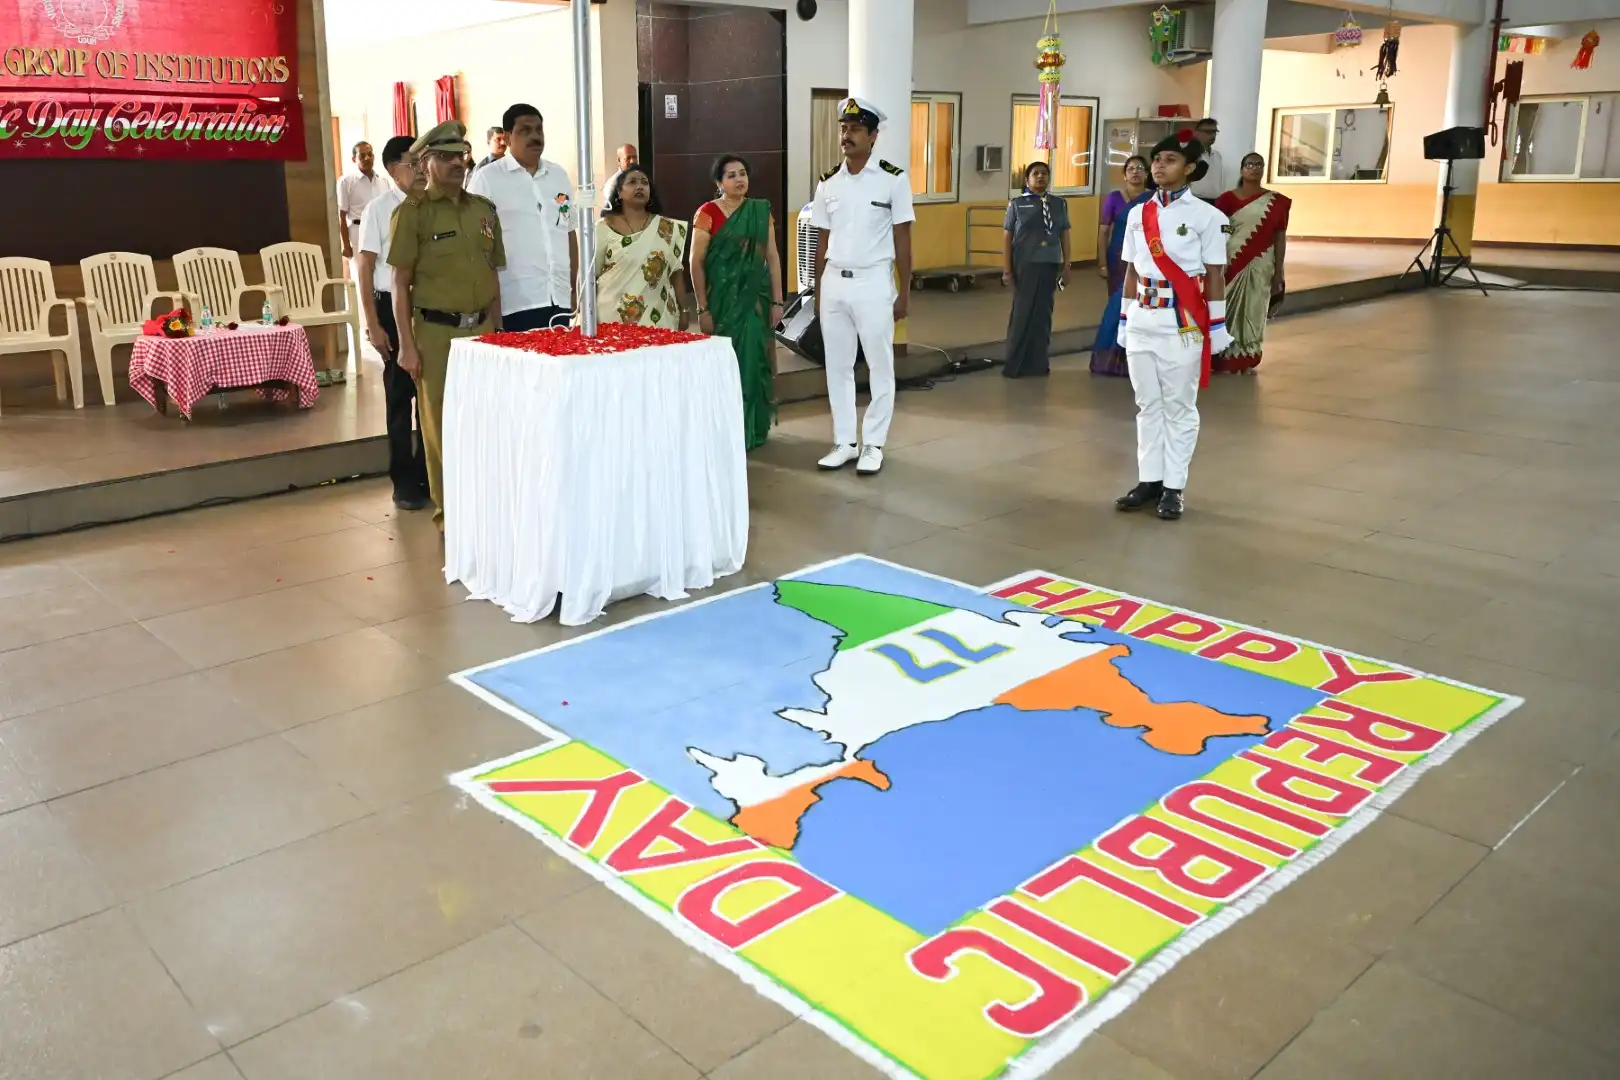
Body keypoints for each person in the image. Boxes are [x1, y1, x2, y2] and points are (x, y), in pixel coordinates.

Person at [388, 120, 505, 530]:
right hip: (437, 334)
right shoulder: (412, 214)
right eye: (446, 156)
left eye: (461, 155)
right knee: (440, 425)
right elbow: (400, 284)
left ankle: (487, 506)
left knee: (486, 419)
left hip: (483, 331)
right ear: (424, 163)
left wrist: (499, 330)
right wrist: (406, 345)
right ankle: (451, 515)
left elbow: (493, 277)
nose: (458, 162)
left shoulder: (484, 211)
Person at [1114, 129, 1231, 522]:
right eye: (1157, 160)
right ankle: (1149, 480)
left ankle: (1174, 487)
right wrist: (1124, 319)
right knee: (1147, 405)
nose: (1159, 167)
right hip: (1143, 318)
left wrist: (1216, 327)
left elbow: (1215, 275)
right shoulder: (1137, 213)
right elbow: (1130, 271)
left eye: (1170, 160)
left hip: (1182, 322)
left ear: (1191, 168)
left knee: (1179, 407)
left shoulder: (1208, 217)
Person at [810, 96, 914, 476]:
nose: (846, 135)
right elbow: (822, 238)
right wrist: (818, 288)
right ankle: (844, 441)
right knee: (836, 366)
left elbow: (903, 239)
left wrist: (905, 291)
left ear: (873, 136)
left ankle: (873, 444)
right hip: (835, 281)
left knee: (879, 365)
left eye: (855, 129)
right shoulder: (828, 183)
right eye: (843, 128)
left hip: (873, 282)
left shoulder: (893, 179)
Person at [355, 135, 430, 511]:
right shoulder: (379, 209)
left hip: (429, 308)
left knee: (430, 400)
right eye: (411, 163)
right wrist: (372, 322)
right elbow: (365, 266)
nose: (419, 170)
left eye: (422, 161)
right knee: (401, 399)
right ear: (391, 169)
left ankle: (429, 475)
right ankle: (404, 482)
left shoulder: (434, 204)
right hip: (390, 307)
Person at [689, 154, 784, 451]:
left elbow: (772, 258)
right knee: (725, 366)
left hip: (755, 301)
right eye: (731, 175)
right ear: (719, 183)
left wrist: (778, 301)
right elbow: (696, 262)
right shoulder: (707, 213)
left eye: (743, 173)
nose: (739, 180)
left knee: (754, 362)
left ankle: (753, 429)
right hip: (721, 304)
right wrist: (702, 308)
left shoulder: (759, 211)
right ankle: (725, 430)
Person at [467, 103, 577, 331]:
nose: (535, 136)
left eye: (539, 130)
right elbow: (478, 247)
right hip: (514, 302)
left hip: (559, 297)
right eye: (525, 131)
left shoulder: (557, 175)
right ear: (507, 137)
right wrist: (491, 306)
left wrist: (575, 289)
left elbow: (568, 232)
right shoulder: (487, 179)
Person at [1212, 153, 1290, 375]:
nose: (1254, 168)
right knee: (1225, 308)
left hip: (1260, 263)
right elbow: (1221, 229)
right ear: (1241, 169)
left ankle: (1247, 354)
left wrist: (1278, 272)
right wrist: (1220, 256)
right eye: (1249, 164)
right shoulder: (1227, 199)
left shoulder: (1277, 202)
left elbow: (1279, 237)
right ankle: (1222, 355)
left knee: (1254, 310)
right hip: (1231, 261)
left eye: (1259, 165)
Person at [595, 165, 691, 329]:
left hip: (659, 318)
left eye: (644, 183)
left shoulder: (666, 228)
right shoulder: (602, 227)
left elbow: (676, 272)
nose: (639, 186)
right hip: (611, 318)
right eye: (632, 182)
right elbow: (589, 276)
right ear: (619, 192)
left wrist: (684, 310)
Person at [1000, 161, 1071, 379]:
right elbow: (1007, 236)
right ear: (1027, 180)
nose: (1040, 177)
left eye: (1044, 173)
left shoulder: (1059, 204)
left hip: (1049, 263)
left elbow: (1064, 234)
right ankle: (1016, 364)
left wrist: (1067, 264)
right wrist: (1007, 270)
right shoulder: (1017, 204)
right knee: (1023, 312)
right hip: (1025, 263)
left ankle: (1038, 363)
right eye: (1035, 174)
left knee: (1043, 314)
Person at [1089, 154, 1151, 377]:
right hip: (1118, 259)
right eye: (1131, 168)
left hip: (1145, 260)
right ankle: (1113, 359)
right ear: (1124, 174)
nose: (1135, 172)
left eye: (1140, 168)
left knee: (1141, 307)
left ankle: (1137, 357)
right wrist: (1102, 262)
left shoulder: (1153, 198)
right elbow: (1104, 230)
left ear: (1147, 173)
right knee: (1118, 306)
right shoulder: (1114, 198)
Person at [337, 141, 391, 261]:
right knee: (361, 274)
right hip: (359, 232)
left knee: (382, 273)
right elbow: (341, 216)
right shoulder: (346, 181)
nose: (367, 158)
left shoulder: (383, 181)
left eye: (370, 154)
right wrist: (345, 245)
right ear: (354, 159)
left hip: (382, 232)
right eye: (362, 156)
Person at [1189, 117, 1225, 199]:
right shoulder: (1190, 154)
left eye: (1214, 132)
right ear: (1197, 133)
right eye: (1208, 132)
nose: (1212, 135)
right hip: (1196, 199)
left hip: (1215, 201)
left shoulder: (1217, 155)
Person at [601, 143, 638, 209]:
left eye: (634, 157)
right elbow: (610, 210)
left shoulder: (642, 179)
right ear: (619, 160)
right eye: (628, 158)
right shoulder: (612, 184)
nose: (632, 161)